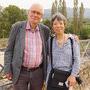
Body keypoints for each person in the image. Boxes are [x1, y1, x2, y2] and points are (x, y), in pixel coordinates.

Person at [4, 3, 50, 90]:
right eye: (33, 12)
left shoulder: (45, 30)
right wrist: (7, 69)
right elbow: (9, 50)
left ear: (41, 16)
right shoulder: (17, 27)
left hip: (38, 73)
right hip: (20, 71)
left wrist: (71, 37)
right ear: (28, 13)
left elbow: (54, 42)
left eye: (38, 13)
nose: (35, 15)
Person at [46, 13, 80, 90]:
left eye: (61, 23)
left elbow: (77, 60)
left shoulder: (72, 40)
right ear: (52, 26)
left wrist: (73, 75)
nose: (58, 26)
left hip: (68, 78)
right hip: (53, 77)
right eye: (55, 24)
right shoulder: (50, 41)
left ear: (64, 25)